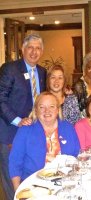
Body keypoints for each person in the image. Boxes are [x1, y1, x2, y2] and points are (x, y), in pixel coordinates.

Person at [0, 33, 46, 200]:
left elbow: (42, 100)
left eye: (38, 48)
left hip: (32, 132)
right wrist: (18, 121)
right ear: (23, 49)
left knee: (30, 173)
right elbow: (1, 99)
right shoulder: (10, 69)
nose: (34, 52)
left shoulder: (42, 71)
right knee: (12, 176)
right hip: (10, 132)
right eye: (30, 48)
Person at [9, 92, 80, 191]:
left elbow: (76, 155)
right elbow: (15, 161)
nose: (47, 111)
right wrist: (18, 189)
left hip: (65, 182)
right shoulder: (26, 130)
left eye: (52, 106)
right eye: (42, 107)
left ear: (57, 109)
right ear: (36, 110)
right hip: (34, 184)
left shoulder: (67, 127)